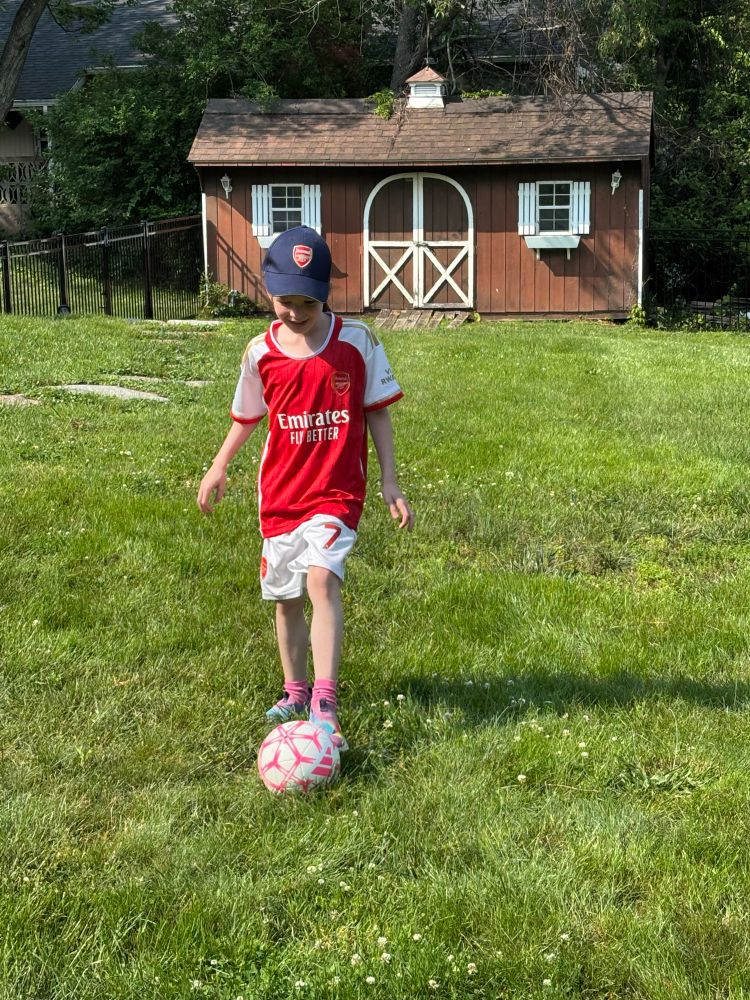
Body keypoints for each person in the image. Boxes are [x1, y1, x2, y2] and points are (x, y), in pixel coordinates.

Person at [197, 226, 413, 750]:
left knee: (321, 581)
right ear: (269, 290)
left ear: (326, 293)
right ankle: (294, 692)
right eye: (285, 302)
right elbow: (247, 416)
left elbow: (377, 413)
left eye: (308, 303)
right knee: (286, 598)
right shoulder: (260, 352)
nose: (296, 313)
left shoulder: (357, 342)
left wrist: (389, 479)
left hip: (336, 493)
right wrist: (219, 465)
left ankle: (324, 699)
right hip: (281, 496)